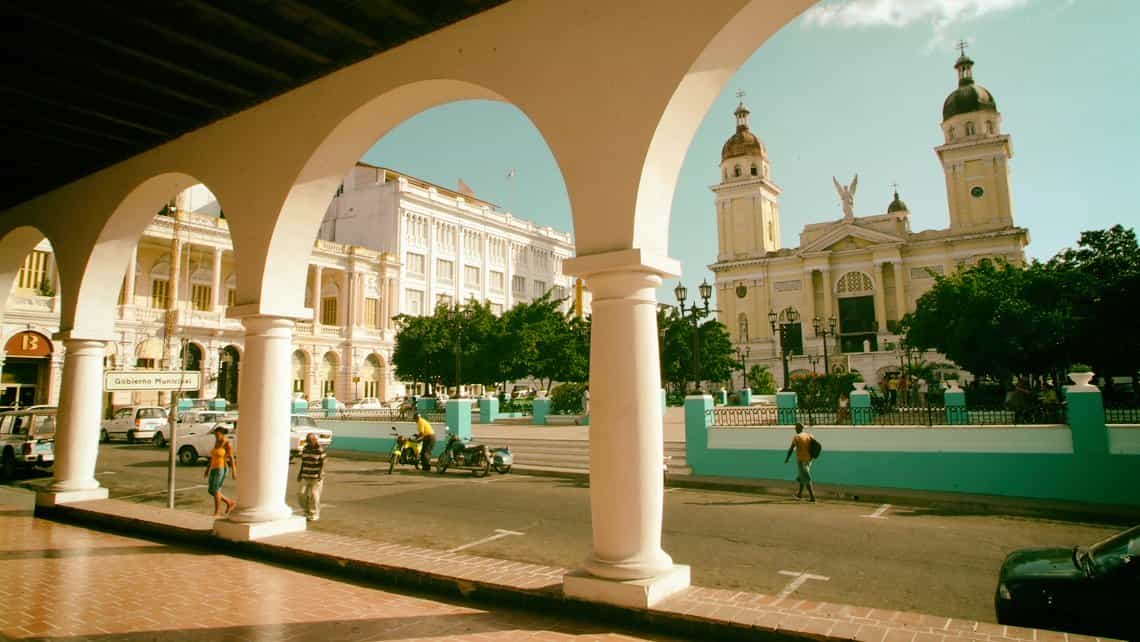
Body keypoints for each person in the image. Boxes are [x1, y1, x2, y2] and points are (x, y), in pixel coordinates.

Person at [204, 425, 237, 517]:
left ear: (222, 434)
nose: (216, 436)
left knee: (216, 490)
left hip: (221, 468)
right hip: (213, 468)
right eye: (215, 435)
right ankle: (229, 502)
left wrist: (234, 471)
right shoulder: (216, 442)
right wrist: (207, 469)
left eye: (217, 435)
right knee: (211, 490)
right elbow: (212, 457)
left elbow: (231, 458)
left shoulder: (227, 444)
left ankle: (217, 512)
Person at [297, 432, 326, 521]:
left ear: (314, 440)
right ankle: (306, 511)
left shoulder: (320, 449)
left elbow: (323, 463)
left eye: (310, 441)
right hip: (306, 475)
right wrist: (300, 473)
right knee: (301, 494)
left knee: (314, 495)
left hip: (316, 476)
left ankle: (315, 513)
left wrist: (320, 474)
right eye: (307, 440)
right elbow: (303, 462)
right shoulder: (305, 448)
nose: (308, 442)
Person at [783, 422, 816, 502]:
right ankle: (799, 494)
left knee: (806, 477)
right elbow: (815, 446)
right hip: (809, 460)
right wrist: (813, 457)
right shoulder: (809, 436)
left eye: (796, 428)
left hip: (801, 460)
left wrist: (787, 458)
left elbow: (791, 449)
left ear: (798, 428)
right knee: (802, 475)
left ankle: (812, 497)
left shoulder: (797, 437)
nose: (795, 429)